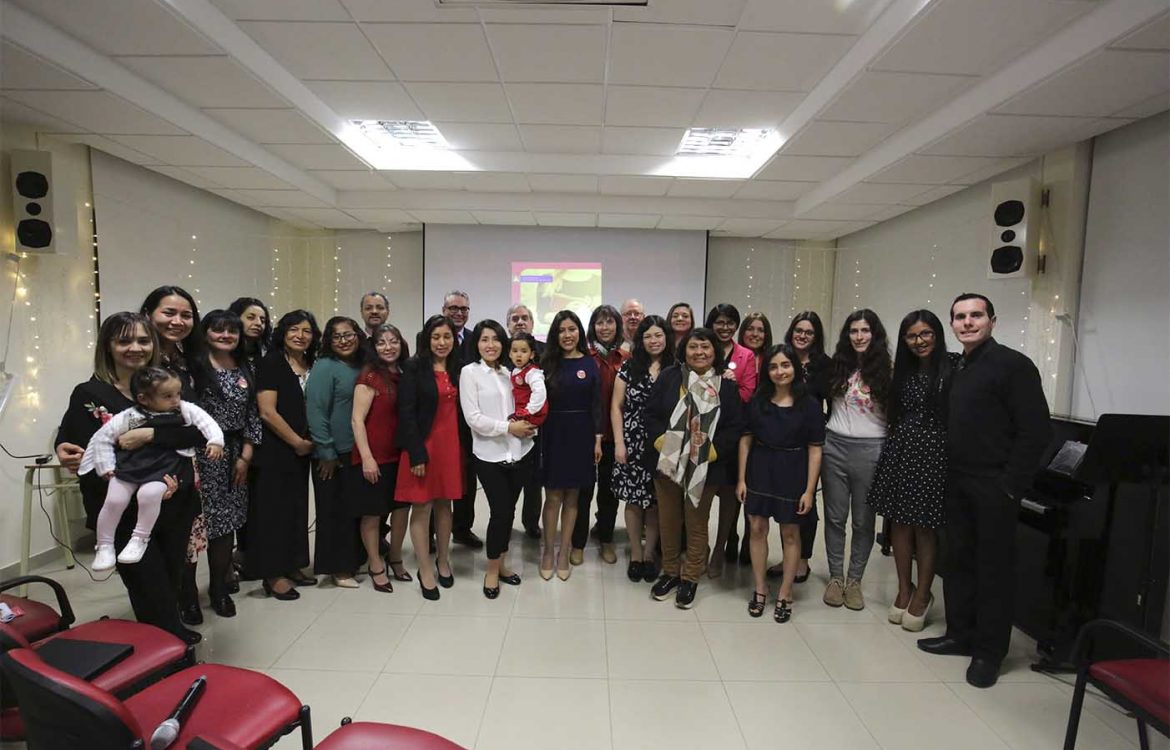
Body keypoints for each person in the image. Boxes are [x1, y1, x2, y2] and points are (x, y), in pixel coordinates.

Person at [918, 293, 1050, 689]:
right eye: (960, 317)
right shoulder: (958, 366)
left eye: (976, 315)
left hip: (994, 485)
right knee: (957, 561)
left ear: (992, 320)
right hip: (955, 481)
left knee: (993, 570)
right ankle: (961, 634)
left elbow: (1036, 431)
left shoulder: (1013, 365)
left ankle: (989, 653)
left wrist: (1011, 486)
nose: (968, 322)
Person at [55, 312, 205, 645]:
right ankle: (164, 646)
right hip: (122, 506)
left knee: (169, 575)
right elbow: (73, 436)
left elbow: (197, 432)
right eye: (124, 340)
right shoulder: (90, 393)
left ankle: (167, 635)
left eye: (142, 340)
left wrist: (149, 435)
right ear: (108, 346)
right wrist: (63, 448)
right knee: (145, 580)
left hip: (173, 501)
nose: (134, 348)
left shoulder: (170, 383)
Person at [81, 367, 223, 571]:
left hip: (162, 469)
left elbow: (207, 423)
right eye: (167, 396)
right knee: (114, 500)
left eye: (178, 394)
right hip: (129, 466)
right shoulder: (131, 416)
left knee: (150, 494)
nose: (176, 400)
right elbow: (103, 437)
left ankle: (139, 538)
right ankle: (104, 544)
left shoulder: (184, 409)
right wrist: (106, 466)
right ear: (144, 398)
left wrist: (216, 441)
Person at [645, 327, 745, 609]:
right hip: (667, 462)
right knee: (668, 520)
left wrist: (710, 451)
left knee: (696, 522)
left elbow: (735, 427)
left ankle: (690, 578)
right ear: (684, 351)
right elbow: (651, 414)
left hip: (705, 468)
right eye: (693, 347)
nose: (699, 353)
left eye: (705, 348)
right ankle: (670, 571)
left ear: (715, 352)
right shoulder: (669, 377)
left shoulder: (726, 386)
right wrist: (661, 441)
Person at [867, 310, 952, 632]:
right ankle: (904, 590)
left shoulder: (951, 368)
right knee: (899, 525)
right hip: (901, 450)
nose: (919, 341)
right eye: (912, 336)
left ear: (937, 334)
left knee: (924, 527)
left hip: (933, 454)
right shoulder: (900, 372)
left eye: (926, 334)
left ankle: (924, 594)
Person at [736, 345, 824, 623]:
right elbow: (746, 439)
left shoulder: (809, 403)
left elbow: (815, 449)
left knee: (790, 533)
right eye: (773, 366)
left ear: (794, 368)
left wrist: (810, 490)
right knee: (757, 528)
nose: (779, 371)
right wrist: (741, 478)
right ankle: (760, 588)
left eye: (785, 365)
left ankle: (785, 592)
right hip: (760, 468)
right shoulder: (759, 400)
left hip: (793, 471)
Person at [191, 310, 262, 618]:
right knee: (194, 525)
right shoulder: (194, 367)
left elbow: (252, 415)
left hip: (235, 453)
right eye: (218, 330)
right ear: (205, 332)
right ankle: (187, 594)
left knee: (226, 523)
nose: (226, 336)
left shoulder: (245, 367)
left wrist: (246, 455)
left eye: (232, 331)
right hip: (200, 453)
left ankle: (219, 587)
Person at [460, 320, 538, 599]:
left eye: (495, 339)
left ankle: (502, 564)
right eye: (484, 339)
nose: (490, 344)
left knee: (509, 513)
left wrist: (529, 426)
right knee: (500, 512)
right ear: (476, 344)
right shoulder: (469, 373)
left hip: (520, 452)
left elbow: (528, 406)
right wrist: (509, 428)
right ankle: (492, 569)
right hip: (489, 457)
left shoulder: (512, 372)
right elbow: (474, 419)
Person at [821, 309, 891, 611]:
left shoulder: (887, 370)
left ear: (874, 335)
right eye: (854, 331)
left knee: (863, 521)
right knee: (835, 518)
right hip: (833, 446)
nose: (859, 337)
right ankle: (836, 578)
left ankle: (855, 581)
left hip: (871, 449)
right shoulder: (838, 366)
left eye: (865, 331)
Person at [247, 310, 320, 601]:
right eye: (293, 329)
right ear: (283, 332)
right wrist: (296, 442)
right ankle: (273, 574)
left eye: (306, 331)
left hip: (302, 450)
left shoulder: (309, 362)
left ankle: (292, 565)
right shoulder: (272, 362)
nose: (300, 336)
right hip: (277, 448)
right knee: (273, 512)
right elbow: (267, 411)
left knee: (296, 508)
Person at [397, 314, 467, 600]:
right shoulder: (414, 367)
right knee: (422, 507)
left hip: (451, 447)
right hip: (422, 447)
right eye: (436, 337)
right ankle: (425, 568)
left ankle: (442, 559)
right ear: (427, 339)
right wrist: (416, 453)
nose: (441, 342)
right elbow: (406, 413)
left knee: (444, 505)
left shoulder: (459, 367)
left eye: (447, 337)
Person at [768, 311, 833, 582]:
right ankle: (788, 558)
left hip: (810, 442)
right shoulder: (782, 359)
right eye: (799, 330)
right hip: (781, 440)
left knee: (807, 501)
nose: (802, 335)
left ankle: (802, 560)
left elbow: (833, 402)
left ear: (815, 336)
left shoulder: (824, 365)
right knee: (786, 502)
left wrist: (819, 425)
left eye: (808, 332)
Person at [539, 310, 602, 581]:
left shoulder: (590, 364)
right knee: (553, 497)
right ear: (556, 334)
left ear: (580, 332)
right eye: (562, 330)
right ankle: (548, 551)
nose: (567, 334)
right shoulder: (546, 363)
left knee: (573, 497)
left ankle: (564, 551)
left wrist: (598, 439)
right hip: (552, 433)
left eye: (572, 329)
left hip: (582, 434)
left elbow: (597, 404)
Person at [350, 323, 413, 593]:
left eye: (393, 341)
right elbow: (356, 420)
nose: (388, 347)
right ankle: (375, 563)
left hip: (402, 456)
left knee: (401, 511)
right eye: (382, 342)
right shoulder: (369, 376)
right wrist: (367, 458)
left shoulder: (407, 374)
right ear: (374, 348)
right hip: (374, 457)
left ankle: (396, 557)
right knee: (373, 514)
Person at [306, 316, 367, 588]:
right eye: (336, 336)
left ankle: (353, 561)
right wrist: (326, 451)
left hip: (358, 451)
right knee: (333, 512)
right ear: (328, 341)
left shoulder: (361, 365)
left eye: (348, 334)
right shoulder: (324, 367)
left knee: (354, 510)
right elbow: (316, 411)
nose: (344, 340)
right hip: (333, 454)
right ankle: (338, 569)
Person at [612, 315, 672, 583]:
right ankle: (635, 554)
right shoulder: (628, 368)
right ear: (641, 340)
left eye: (658, 335)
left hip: (665, 444)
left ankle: (650, 554)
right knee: (634, 500)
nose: (654, 340)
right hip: (632, 442)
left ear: (666, 338)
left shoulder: (676, 368)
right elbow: (616, 406)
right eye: (648, 336)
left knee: (657, 502)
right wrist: (619, 443)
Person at [571, 304, 628, 567]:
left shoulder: (625, 359)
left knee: (609, 493)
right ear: (592, 327)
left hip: (615, 437)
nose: (605, 328)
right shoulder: (584, 357)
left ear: (618, 326)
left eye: (610, 322)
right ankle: (578, 542)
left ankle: (606, 538)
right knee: (583, 493)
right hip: (584, 438)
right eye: (600, 323)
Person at [704, 303, 758, 578]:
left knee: (728, 497)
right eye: (719, 322)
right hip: (702, 431)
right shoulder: (703, 346)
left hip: (733, 434)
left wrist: (730, 384)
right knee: (700, 496)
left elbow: (748, 392)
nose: (724, 327)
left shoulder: (746, 355)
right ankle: (699, 549)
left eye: (730, 323)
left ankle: (718, 552)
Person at [728, 311, 774, 565]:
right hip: (736, 427)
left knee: (753, 488)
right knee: (734, 484)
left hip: (762, 430)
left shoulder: (772, 359)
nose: (755, 334)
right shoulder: (733, 355)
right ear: (742, 331)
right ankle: (731, 537)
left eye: (761, 330)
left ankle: (749, 539)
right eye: (751, 329)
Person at [442, 290, 482, 549]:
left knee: (467, 479)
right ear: (444, 310)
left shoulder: (473, 340)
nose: (459, 313)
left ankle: (462, 529)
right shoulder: (430, 336)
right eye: (453, 308)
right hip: (442, 420)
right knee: (441, 479)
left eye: (463, 309)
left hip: (469, 422)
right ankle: (435, 533)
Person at [507, 304, 544, 539]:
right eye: (515, 318)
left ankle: (531, 523)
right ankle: (504, 521)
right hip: (506, 428)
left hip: (532, 426)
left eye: (525, 318)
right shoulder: (498, 353)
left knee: (533, 481)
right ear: (508, 324)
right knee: (507, 482)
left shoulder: (543, 352)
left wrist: (529, 418)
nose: (520, 321)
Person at [508, 333, 547, 426]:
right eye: (515, 351)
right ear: (509, 353)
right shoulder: (514, 371)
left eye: (524, 351)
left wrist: (529, 410)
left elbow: (540, 392)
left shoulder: (533, 373)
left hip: (533, 414)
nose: (519, 355)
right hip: (521, 413)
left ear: (531, 354)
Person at [228, 297, 270, 372]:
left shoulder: (266, 352)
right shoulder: (224, 351)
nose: (258, 323)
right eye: (251, 318)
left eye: (262, 320)